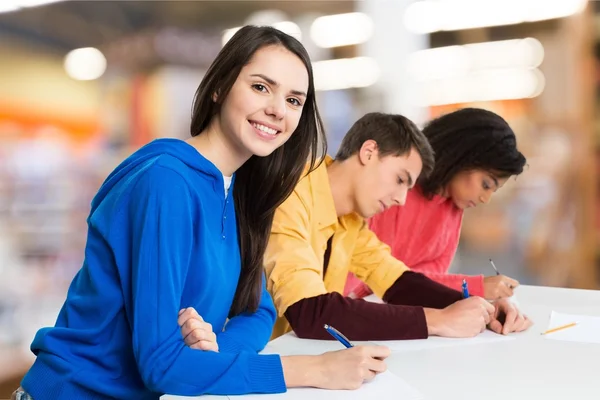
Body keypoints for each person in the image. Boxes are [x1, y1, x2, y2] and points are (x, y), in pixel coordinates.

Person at [13, 26, 391, 400]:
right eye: (261, 87)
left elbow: (259, 310)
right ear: (218, 88)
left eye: (294, 100)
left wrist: (215, 349)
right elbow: (161, 364)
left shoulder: (241, 190)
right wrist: (316, 370)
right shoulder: (166, 182)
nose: (277, 109)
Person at [263, 112, 532, 342]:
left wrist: (482, 309)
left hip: (297, 351)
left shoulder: (350, 220)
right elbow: (311, 313)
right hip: (260, 358)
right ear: (369, 152)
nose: (401, 199)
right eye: (400, 179)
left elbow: (397, 281)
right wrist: (437, 321)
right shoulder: (291, 192)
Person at [345, 108, 525, 301]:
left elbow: (427, 284)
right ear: (462, 157)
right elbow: (384, 280)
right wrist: (474, 287)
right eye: (486, 184)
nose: (485, 199)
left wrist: (484, 300)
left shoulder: (452, 208)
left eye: (493, 190)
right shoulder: (392, 193)